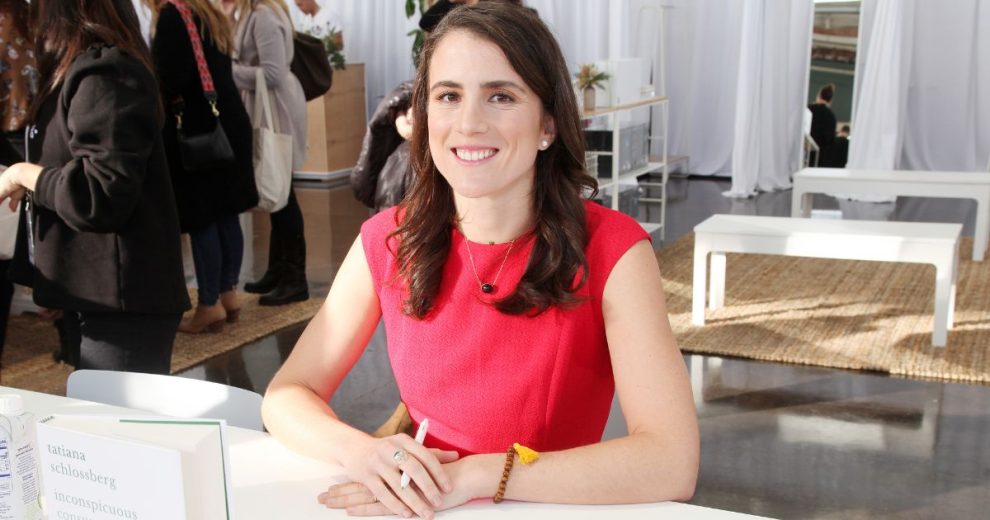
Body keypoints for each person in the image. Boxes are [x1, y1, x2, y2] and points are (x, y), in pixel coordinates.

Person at [261, 4, 698, 518]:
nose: (468, 123)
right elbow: (286, 395)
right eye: (449, 96)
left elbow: (672, 460)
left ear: (548, 125)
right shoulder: (389, 238)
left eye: (501, 96)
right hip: (422, 505)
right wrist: (362, 452)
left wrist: (476, 475)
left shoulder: (613, 249)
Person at [0, 0, 190, 374]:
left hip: (123, 302)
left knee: (113, 412)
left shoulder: (106, 72)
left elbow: (99, 194)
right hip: (94, 294)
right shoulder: (78, 72)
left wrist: (24, 174)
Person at [143, 0, 258, 333]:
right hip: (226, 124)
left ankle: (209, 303)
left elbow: (171, 79)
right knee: (226, 214)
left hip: (197, 130)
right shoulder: (208, 12)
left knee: (202, 216)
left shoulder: (172, 15)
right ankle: (228, 293)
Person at [227, 0, 310, 306]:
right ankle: (279, 270)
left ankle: (295, 278)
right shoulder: (255, 12)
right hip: (271, 105)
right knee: (281, 193)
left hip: (276, 108)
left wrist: (228, 71)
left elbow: (272, 73)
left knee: (283, 193)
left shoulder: (262, 15)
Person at [808, 83, 837, 167]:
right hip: (823, 160)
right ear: (830, 100)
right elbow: (831, 141)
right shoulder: (832, 116)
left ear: (819, 95)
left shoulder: (809, 110)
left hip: (808, 155)